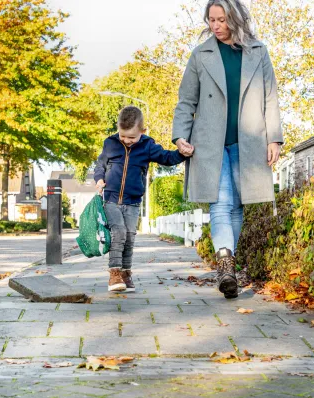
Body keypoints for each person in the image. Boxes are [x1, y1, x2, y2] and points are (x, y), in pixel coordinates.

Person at [172, 0, 284, 299]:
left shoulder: (258, 52)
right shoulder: (201, 54)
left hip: (249, 140)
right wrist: (180, 136)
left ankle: (227, 265)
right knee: (220, 203)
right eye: (212, 20)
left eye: (222, 19)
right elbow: (186, 101)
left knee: (238, 205)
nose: (216, 26)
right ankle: (225, 264)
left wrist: (274, 138)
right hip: (209, 141)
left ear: (235, 19)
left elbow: (270, 98)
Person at [95, 106, 188, 293]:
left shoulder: (147, 146)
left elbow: (166, 157)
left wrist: (181, 153)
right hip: (111, 199)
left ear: (142, 132)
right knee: (118, 233)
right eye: (123, 136)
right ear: (118, 128)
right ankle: (114, 273)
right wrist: (98, 178)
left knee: (129, 236)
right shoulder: (110, 143)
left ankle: (126, 274)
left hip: (133, 201)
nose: (127, 141)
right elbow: (100, 164)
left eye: (131, 137)